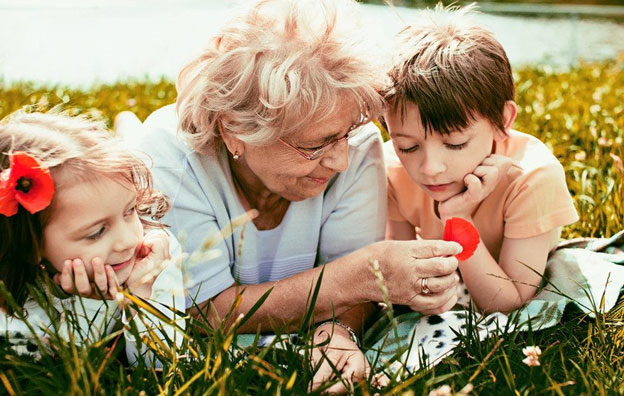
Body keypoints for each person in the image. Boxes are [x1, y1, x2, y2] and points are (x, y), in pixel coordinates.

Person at [113, 0, 463, 391]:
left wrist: (335, 332)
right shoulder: (172, 161)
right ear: (234, 131)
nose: (342, 161)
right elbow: (197, 311)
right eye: (316, 145)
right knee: (128, 153)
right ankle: (124, 129)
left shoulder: (358, 143)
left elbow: (358, 296)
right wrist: (364, 272)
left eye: (346, 132)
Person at [381, 4, 579, 314]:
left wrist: (457, 218)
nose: (430, 169)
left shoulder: (532, 178)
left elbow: (508, 304)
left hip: (505, 283)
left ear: (503, 120)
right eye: (407, 147)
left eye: (455, 143)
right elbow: (401, 284)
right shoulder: (390, 169)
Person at [0, 111, 185, 366]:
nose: (128, 240)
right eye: (97, 232)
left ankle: (129, 127)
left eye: (129, 210)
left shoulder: (150, 255)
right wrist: (89, 304)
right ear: (31, 245)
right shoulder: (13, 292)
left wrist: (142, 296)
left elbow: (162, 365)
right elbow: (57, 368)